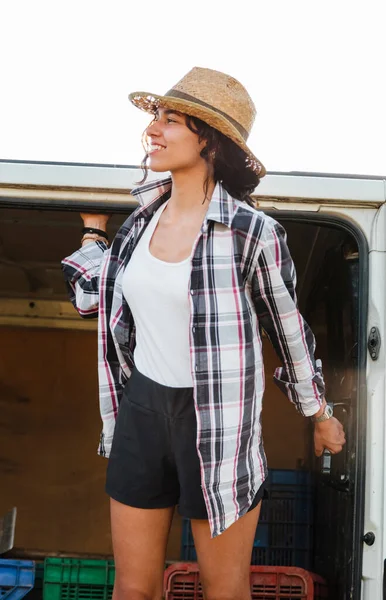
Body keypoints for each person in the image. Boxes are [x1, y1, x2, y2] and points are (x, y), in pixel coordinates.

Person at [62, 67, 345, 600]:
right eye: (155, 119)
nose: (153, 130)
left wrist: (319, 414)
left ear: (208, 140)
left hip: (218, 422)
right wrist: (92, 230)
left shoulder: (251, 232)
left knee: (223, 589)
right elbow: (93, 297)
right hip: (142, 412)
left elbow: (288, 331)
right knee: (132, 589)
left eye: (170, 120)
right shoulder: (138, 224)